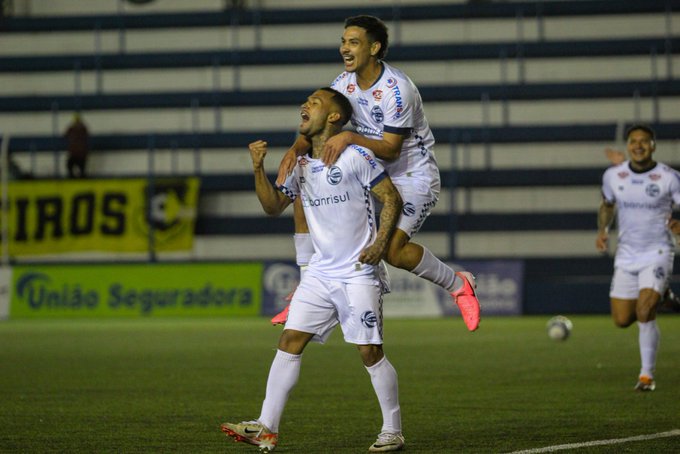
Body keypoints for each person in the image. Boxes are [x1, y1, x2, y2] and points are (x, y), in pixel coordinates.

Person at [221, 87, 405, 452]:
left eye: (315, 102)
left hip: (357, 272)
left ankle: (393, 429)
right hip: (320, 273)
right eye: (306, 101)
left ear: (334, 117)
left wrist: (380, 245)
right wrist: (258, 168)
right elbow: (273, 206)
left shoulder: (356, 156)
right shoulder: (299, 163)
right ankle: (266, 427)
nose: (305, 105)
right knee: (290, 341)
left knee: (369, 351)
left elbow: (391, 198)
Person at [273, 15, 480, 332]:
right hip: (370, 170)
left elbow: (392, 148)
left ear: (375, 47)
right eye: (343, 41)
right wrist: (293, 149)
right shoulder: (342, 83)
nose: (345, 48)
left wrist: (351, 137)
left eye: (353, 42)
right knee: (307, 189)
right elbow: (319, 123)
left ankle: (458, 285)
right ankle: (305, 286)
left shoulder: (398, 90)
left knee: (394, 252)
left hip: (412, 174)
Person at [596, 124, 680, 392]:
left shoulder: (668, 177)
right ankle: (664, 297)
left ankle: (646, 375)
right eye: (634, 141)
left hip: (658, 251)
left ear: (653, 145)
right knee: (622, 320)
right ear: (628, 145)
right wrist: (603, 231)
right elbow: (607, 205)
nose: (639, 145)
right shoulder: (614, 175)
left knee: (644, 310)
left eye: (645, 141)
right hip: (627, 254)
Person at [64, 112, 89, 178]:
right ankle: (74, 176)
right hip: (76, 152)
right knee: (70, 165)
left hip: (79, 153)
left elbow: (65, 135)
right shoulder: (80, 128)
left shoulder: (81, 129)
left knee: (80, 166)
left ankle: (80, 176)